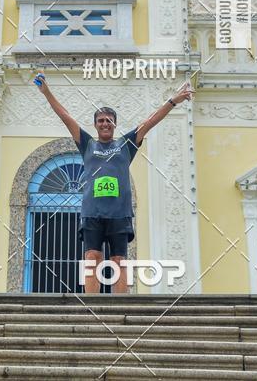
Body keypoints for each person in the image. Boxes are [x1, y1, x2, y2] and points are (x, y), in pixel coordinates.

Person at [34, 72, 193, 294]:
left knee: (119, 261)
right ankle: (90, 306)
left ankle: (121, 307)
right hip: (92, 213)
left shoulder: (126, 144)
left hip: (120, 214)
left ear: (115, 124)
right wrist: (46, 92)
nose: (105, 124)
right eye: (101, 121)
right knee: (92, 258)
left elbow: (151, 120)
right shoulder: (87, 144)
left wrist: (174, 100)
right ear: (95, 125)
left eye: (109, 121)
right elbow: (66, 116)